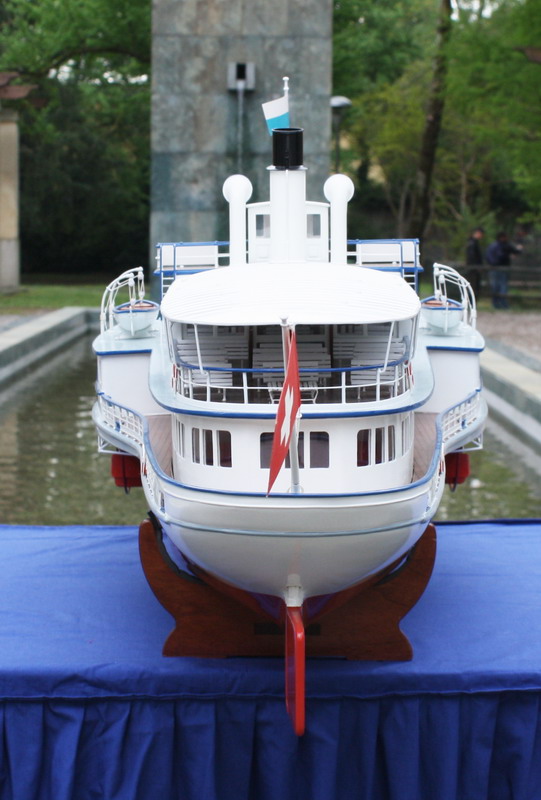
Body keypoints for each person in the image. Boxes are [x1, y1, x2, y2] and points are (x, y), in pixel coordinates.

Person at [485, 231, 522, 309]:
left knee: (496, 286)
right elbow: (515, 252)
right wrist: (519, 248)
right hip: (501, 269)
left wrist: (493, 264)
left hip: (494, 269)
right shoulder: (505, 246)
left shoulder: (493, 246)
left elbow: (488, 257)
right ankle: (502, 303)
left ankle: (497, 303)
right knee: (502, 286)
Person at [464, 227, 485, 299]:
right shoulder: (472, 243)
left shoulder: (473, 242)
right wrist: (476, 266)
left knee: (473, 286)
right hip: (473, 269)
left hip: (473, 268)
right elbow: (472, 256)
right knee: (473, 286)